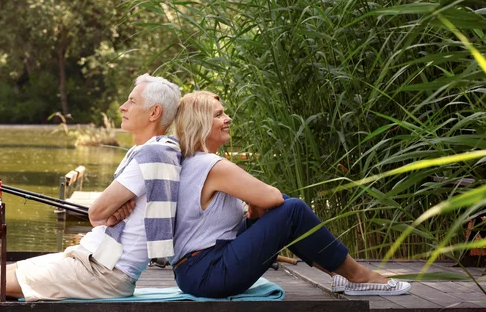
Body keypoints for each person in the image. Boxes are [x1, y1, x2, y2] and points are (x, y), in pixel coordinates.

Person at [0, 73, 182, 312]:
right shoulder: (154, 153)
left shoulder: (152, 156)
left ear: (154, 112)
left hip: (104, 273)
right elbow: (103, 214)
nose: (122, 106)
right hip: (93, 260)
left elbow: (95, 214)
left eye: (132, 101)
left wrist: (108, 214)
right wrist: (111, 213)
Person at [171, 91, 411, 298]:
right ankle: (359, 276)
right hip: (207, 272)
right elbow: (272, 198)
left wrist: (256, 213)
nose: (228, 118)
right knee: (290, 208)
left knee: (284, 205)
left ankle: (341, 274)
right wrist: (260, 204)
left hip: (196, 270)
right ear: (200, 122)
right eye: (219, 115)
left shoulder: (192, 161)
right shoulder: (213, 166)